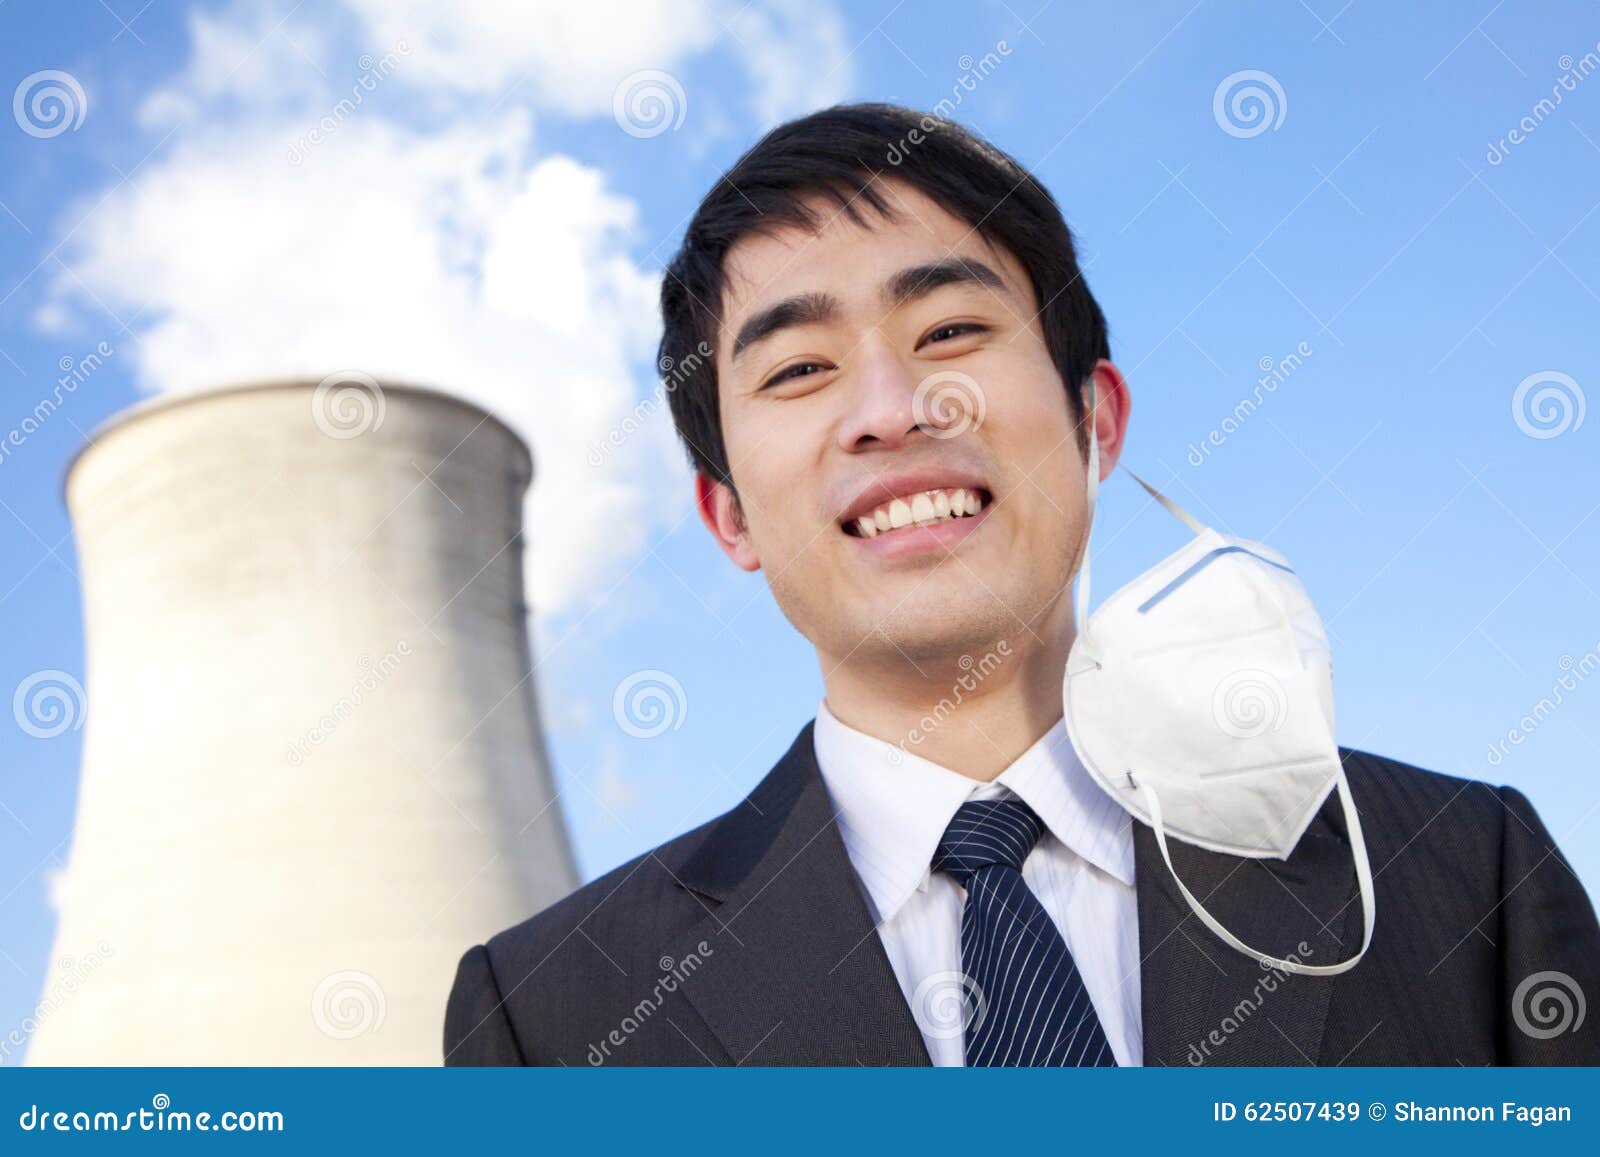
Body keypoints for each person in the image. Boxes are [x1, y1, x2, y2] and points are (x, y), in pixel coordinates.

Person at [444, 103, 1599, 1066]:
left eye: (951, 329)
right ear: (728, 514)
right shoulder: (554, 1011)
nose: (893, 409)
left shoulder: (1457, 872)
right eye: (799, 367)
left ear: (1096, 418)